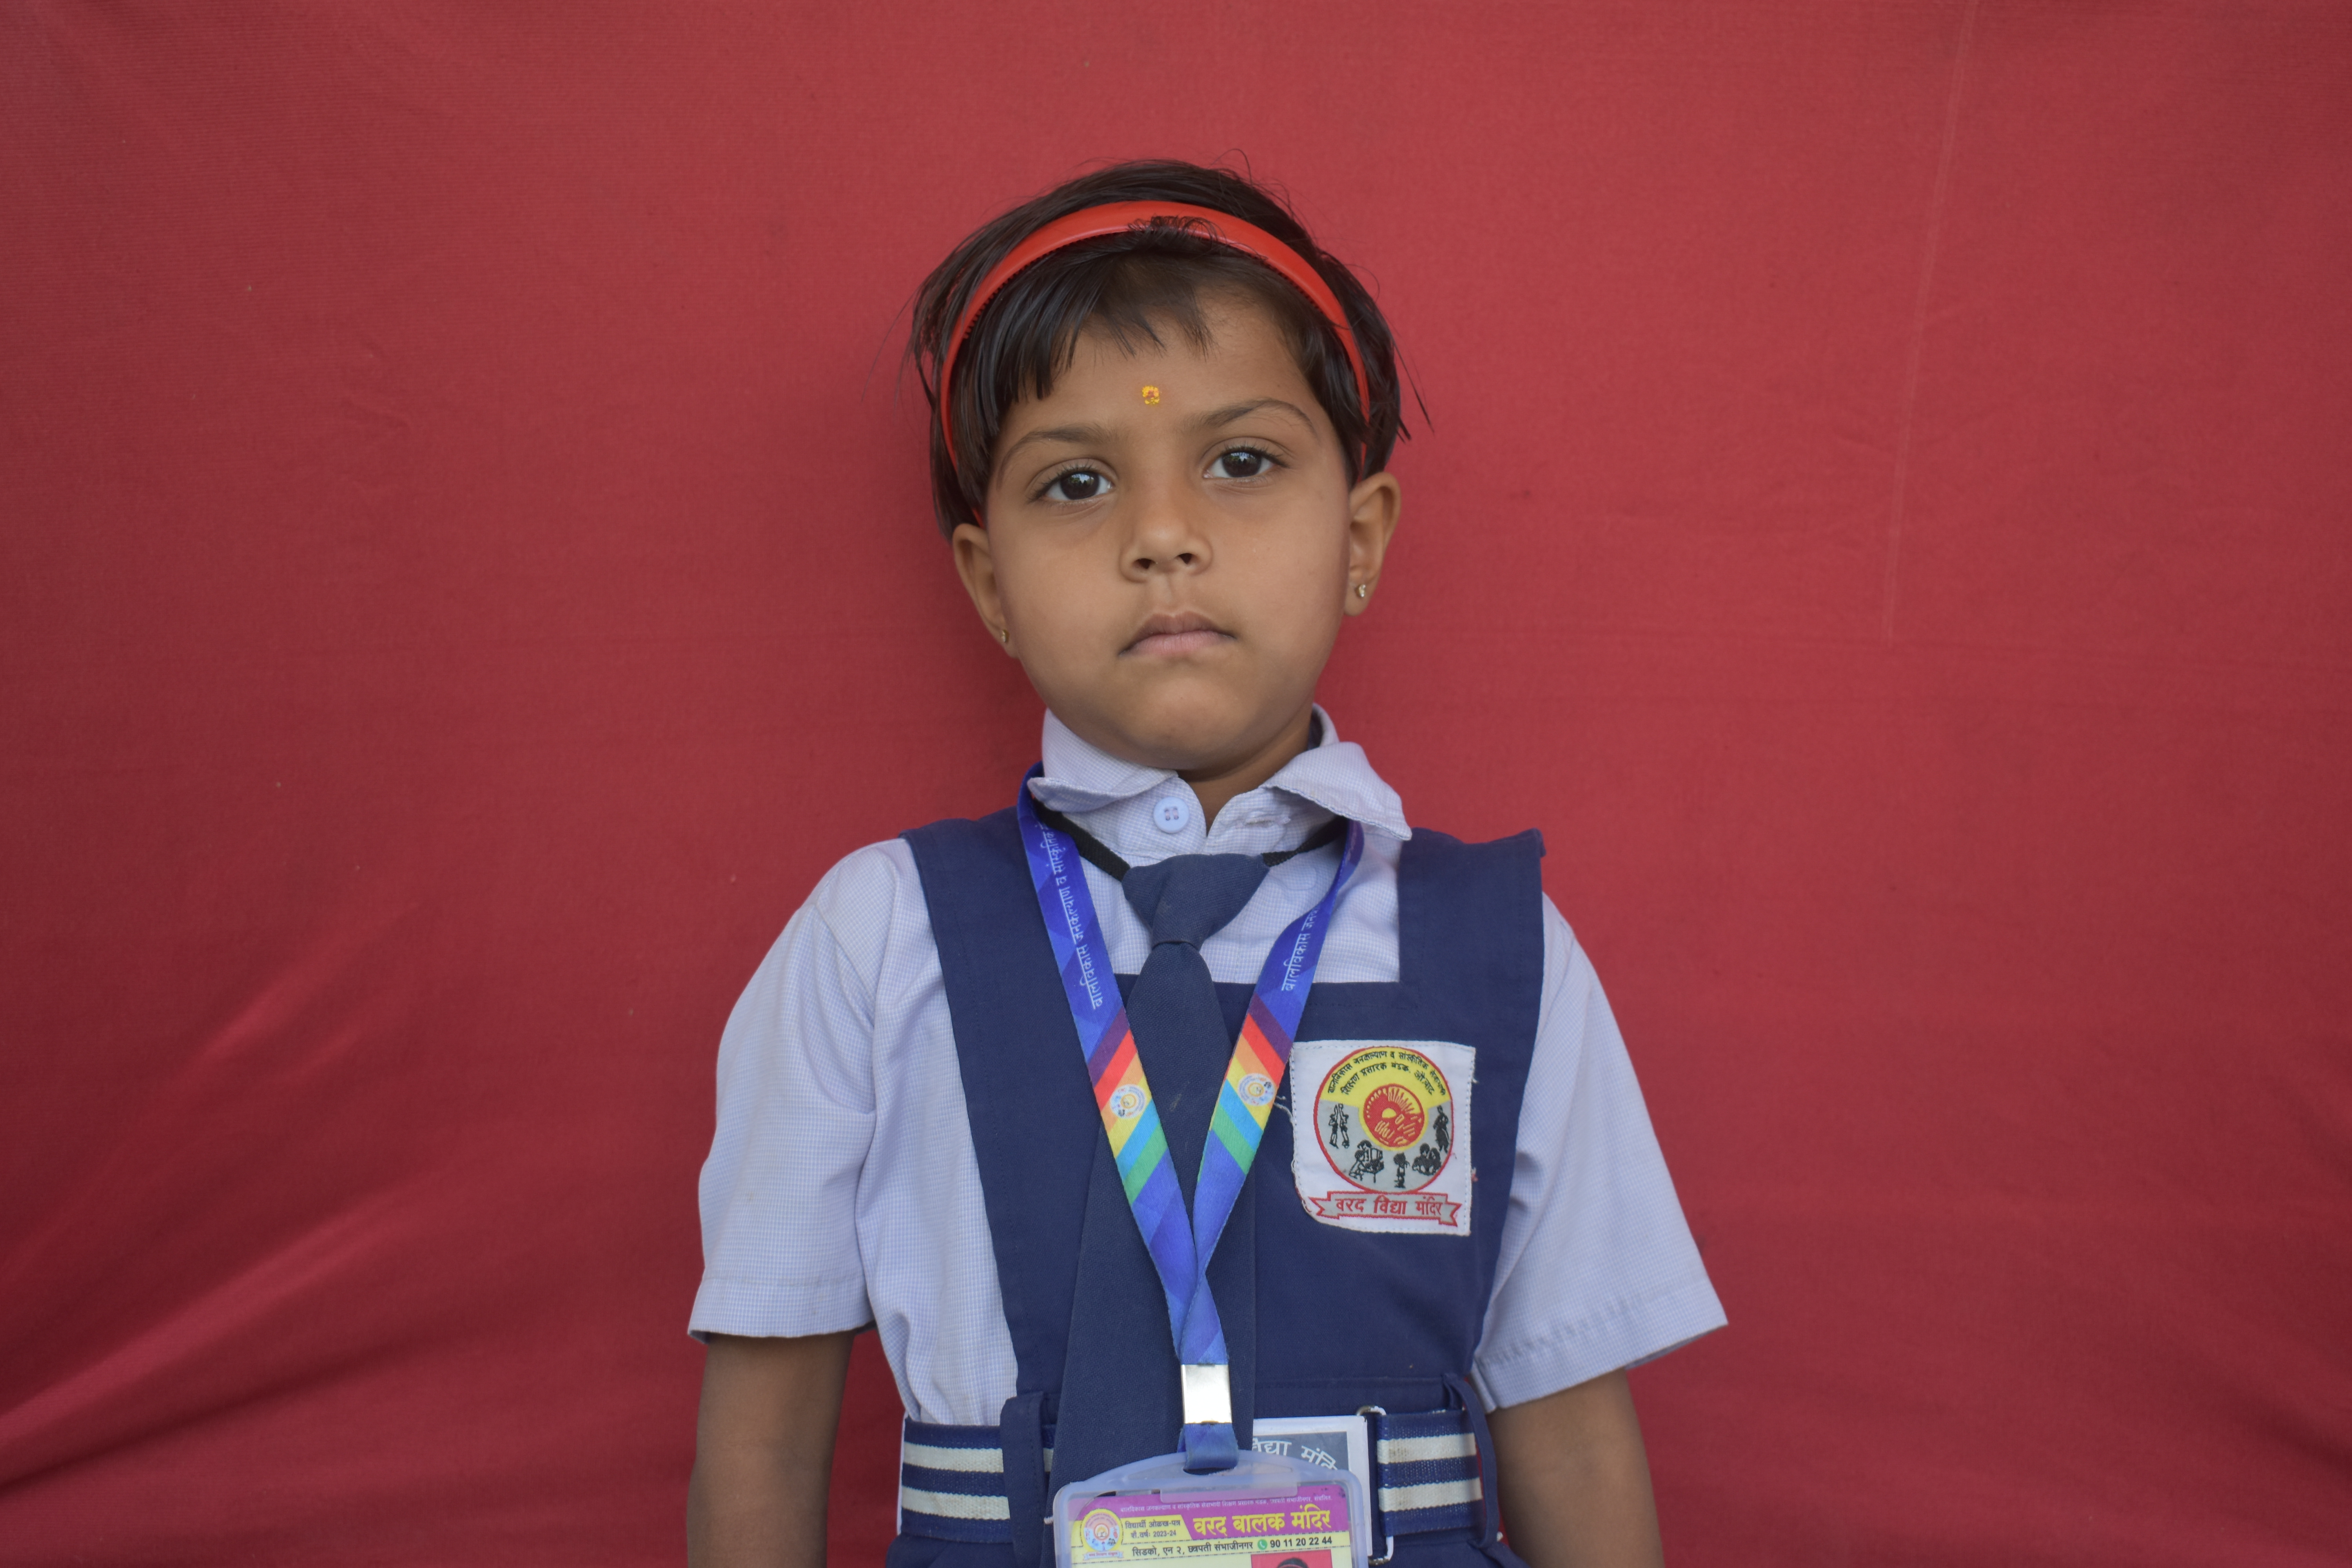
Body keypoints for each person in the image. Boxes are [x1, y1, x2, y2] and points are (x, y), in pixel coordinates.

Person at [686, 160, 1724, 1568]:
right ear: (990, 584)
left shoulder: (1503, 950)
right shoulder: (877, 936)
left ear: (1359, 541)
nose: (1163, 536)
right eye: (1077, 482)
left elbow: (1574, 1431)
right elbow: (760, 1442)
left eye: (1242, 462)